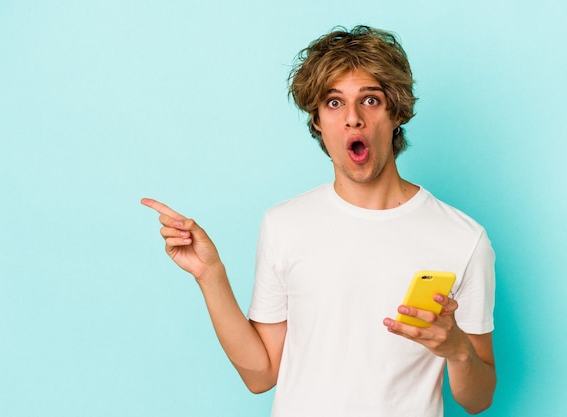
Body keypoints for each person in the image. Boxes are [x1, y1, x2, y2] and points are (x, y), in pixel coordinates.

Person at [141, 25, 496, 417]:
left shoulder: (462, 238)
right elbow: (261, 375)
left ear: (396, 113)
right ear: (317, 122)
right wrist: (211, 275)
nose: (353, 119)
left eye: (371, 100)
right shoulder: (285, 224)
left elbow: (477, 399)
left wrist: (460, 352)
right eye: (333, 103)